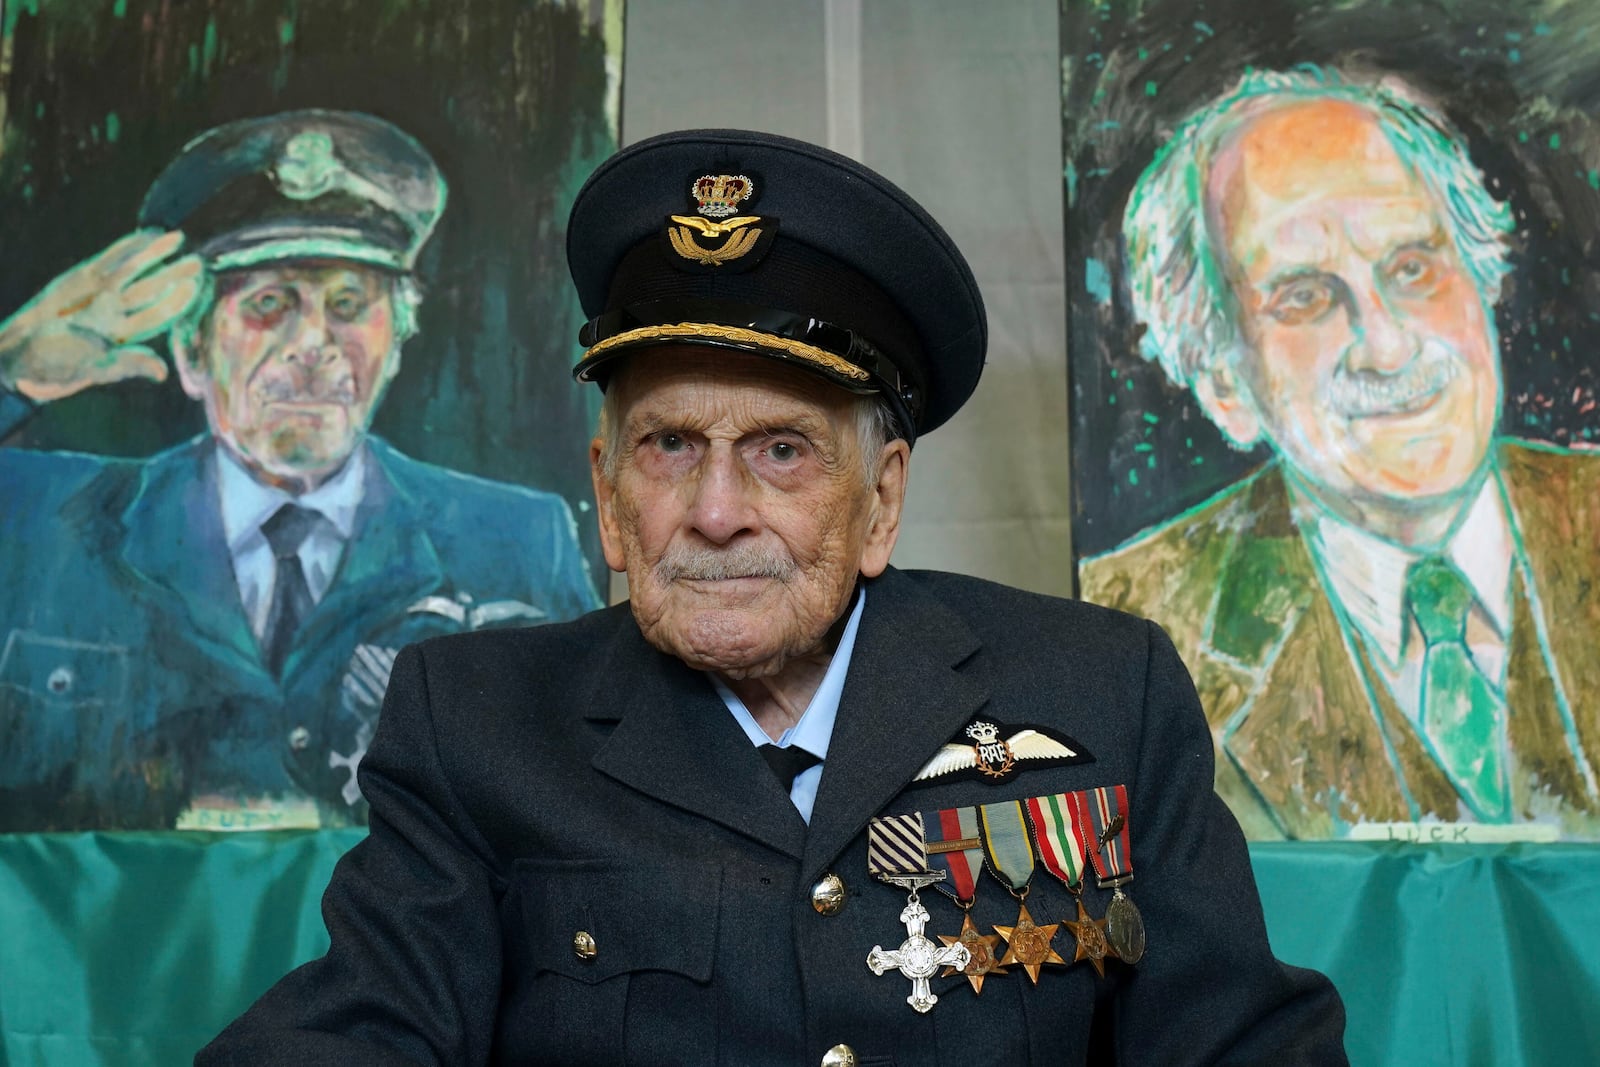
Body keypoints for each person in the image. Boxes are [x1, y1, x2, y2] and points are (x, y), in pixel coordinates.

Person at [198, 129, 1345, 1065]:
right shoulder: (476, 721)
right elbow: (362, 1034)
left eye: (783, 451)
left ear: (880, 500)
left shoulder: (1102, 690)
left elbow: (1244, 1046)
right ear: (606, 493)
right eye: (669, 445)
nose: (714, 509)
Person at [0, 110, 599, 832]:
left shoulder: (517, 541)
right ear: (191, 350)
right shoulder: (45, 518)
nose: (314, 342)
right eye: (268, 303)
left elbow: (584, 811)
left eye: (349, 304)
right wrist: (12, 373)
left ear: (399, 342)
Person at [1080, 66, 1600, 841]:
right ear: (1224, 379)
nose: (1388, 346)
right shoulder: (1123, 632)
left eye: (1414, 269)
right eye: (1307, 298)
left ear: (1482, 275)